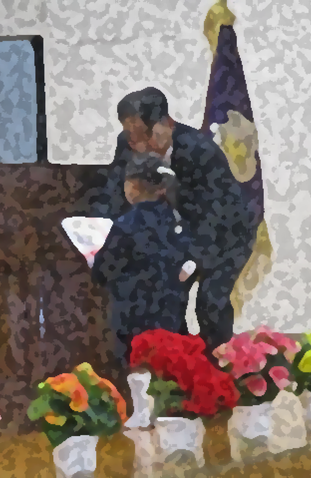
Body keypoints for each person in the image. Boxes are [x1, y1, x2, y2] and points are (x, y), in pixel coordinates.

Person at [103, 87, 260, 356]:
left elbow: (212, 215)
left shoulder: (199, 150)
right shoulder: (127, 143)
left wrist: (192, 260)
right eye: (131, 135)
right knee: (166, 296)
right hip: (180, 231)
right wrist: (110, 229)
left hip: (228, 232)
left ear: (167, 123)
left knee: (210, 300)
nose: (138, 144)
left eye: (144, 134)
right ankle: (178, 359)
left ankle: (219, 362)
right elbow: (117, 192)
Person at [91, 152, 195, 425]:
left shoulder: (127, 224)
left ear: (132, 185)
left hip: (133, 306)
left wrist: (95, 262)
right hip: (170, 303)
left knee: (136, 357)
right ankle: (167, 411)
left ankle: (141, 413)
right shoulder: (176, 219)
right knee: (167, 356)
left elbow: (103, 268)